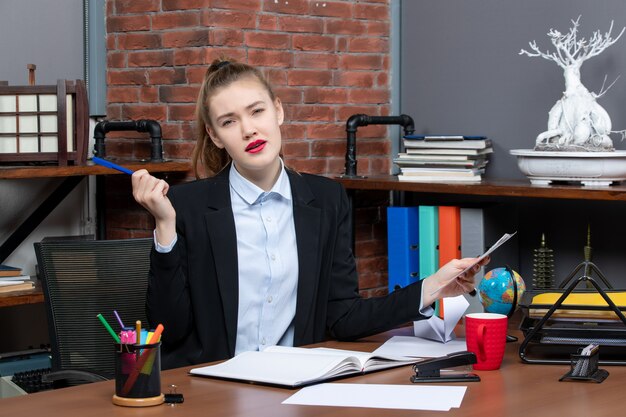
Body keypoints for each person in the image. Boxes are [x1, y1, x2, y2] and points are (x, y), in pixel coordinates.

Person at [131, 59, 489, 369]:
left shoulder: (328, 200)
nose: (249, 129)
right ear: (215, 136)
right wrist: (165, 226)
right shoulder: (185, 205)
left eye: (257, 111)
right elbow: (169, 329)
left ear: (278, 110)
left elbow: (344, 316)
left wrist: (433, 287)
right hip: (210, 391)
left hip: (296, 386)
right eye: (229, 121)